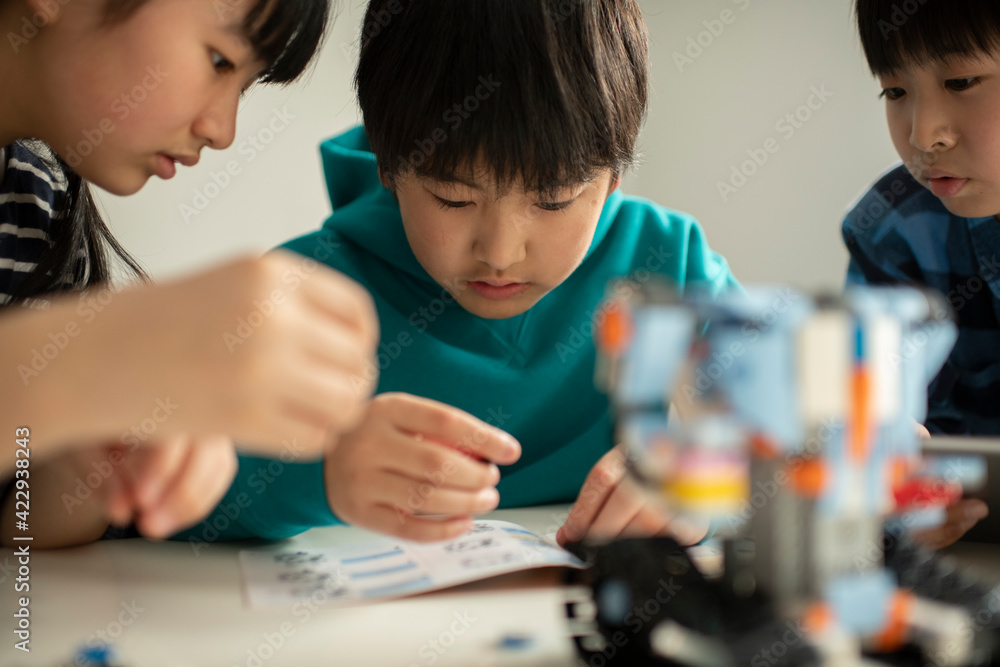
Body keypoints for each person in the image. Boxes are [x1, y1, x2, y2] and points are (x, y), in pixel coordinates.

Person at [180, 0, 739, 549]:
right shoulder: (301, 297)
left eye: (553, 200)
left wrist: (698, 482)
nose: (500, 252)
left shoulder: (669, 263)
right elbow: (150, 497)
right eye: (452, 199)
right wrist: (320, 479)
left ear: (613, 179)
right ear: (390, 168)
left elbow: (797, 441)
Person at [0, 0, 382, 548]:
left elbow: (15, 528)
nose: (221, 130)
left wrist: (92, 466)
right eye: (220, 61)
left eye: (244, 87)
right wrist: (94, 356)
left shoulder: (38, 199)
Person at [843, 0, 997, 547]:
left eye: (960, 80)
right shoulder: (891, 227)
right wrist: (880, 485)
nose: (923, 134)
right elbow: (862, 431)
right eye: (895, 92)